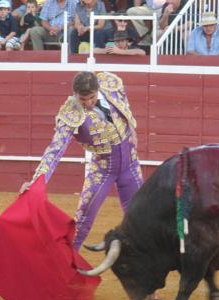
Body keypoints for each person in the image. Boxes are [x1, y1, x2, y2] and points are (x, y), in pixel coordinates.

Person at [21, 71, 143, 252]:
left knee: (140, 217)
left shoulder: (111, 83)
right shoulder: (70, 113)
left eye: (91, 98)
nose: (87, 103)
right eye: (82, 99)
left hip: (130, 164)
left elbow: (123, 103)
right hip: (103, 169)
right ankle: (66, 266)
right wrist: (37, 180)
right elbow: (55, 149)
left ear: (98, 90)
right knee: (83, 221)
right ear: (74, 94)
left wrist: (131, 126)